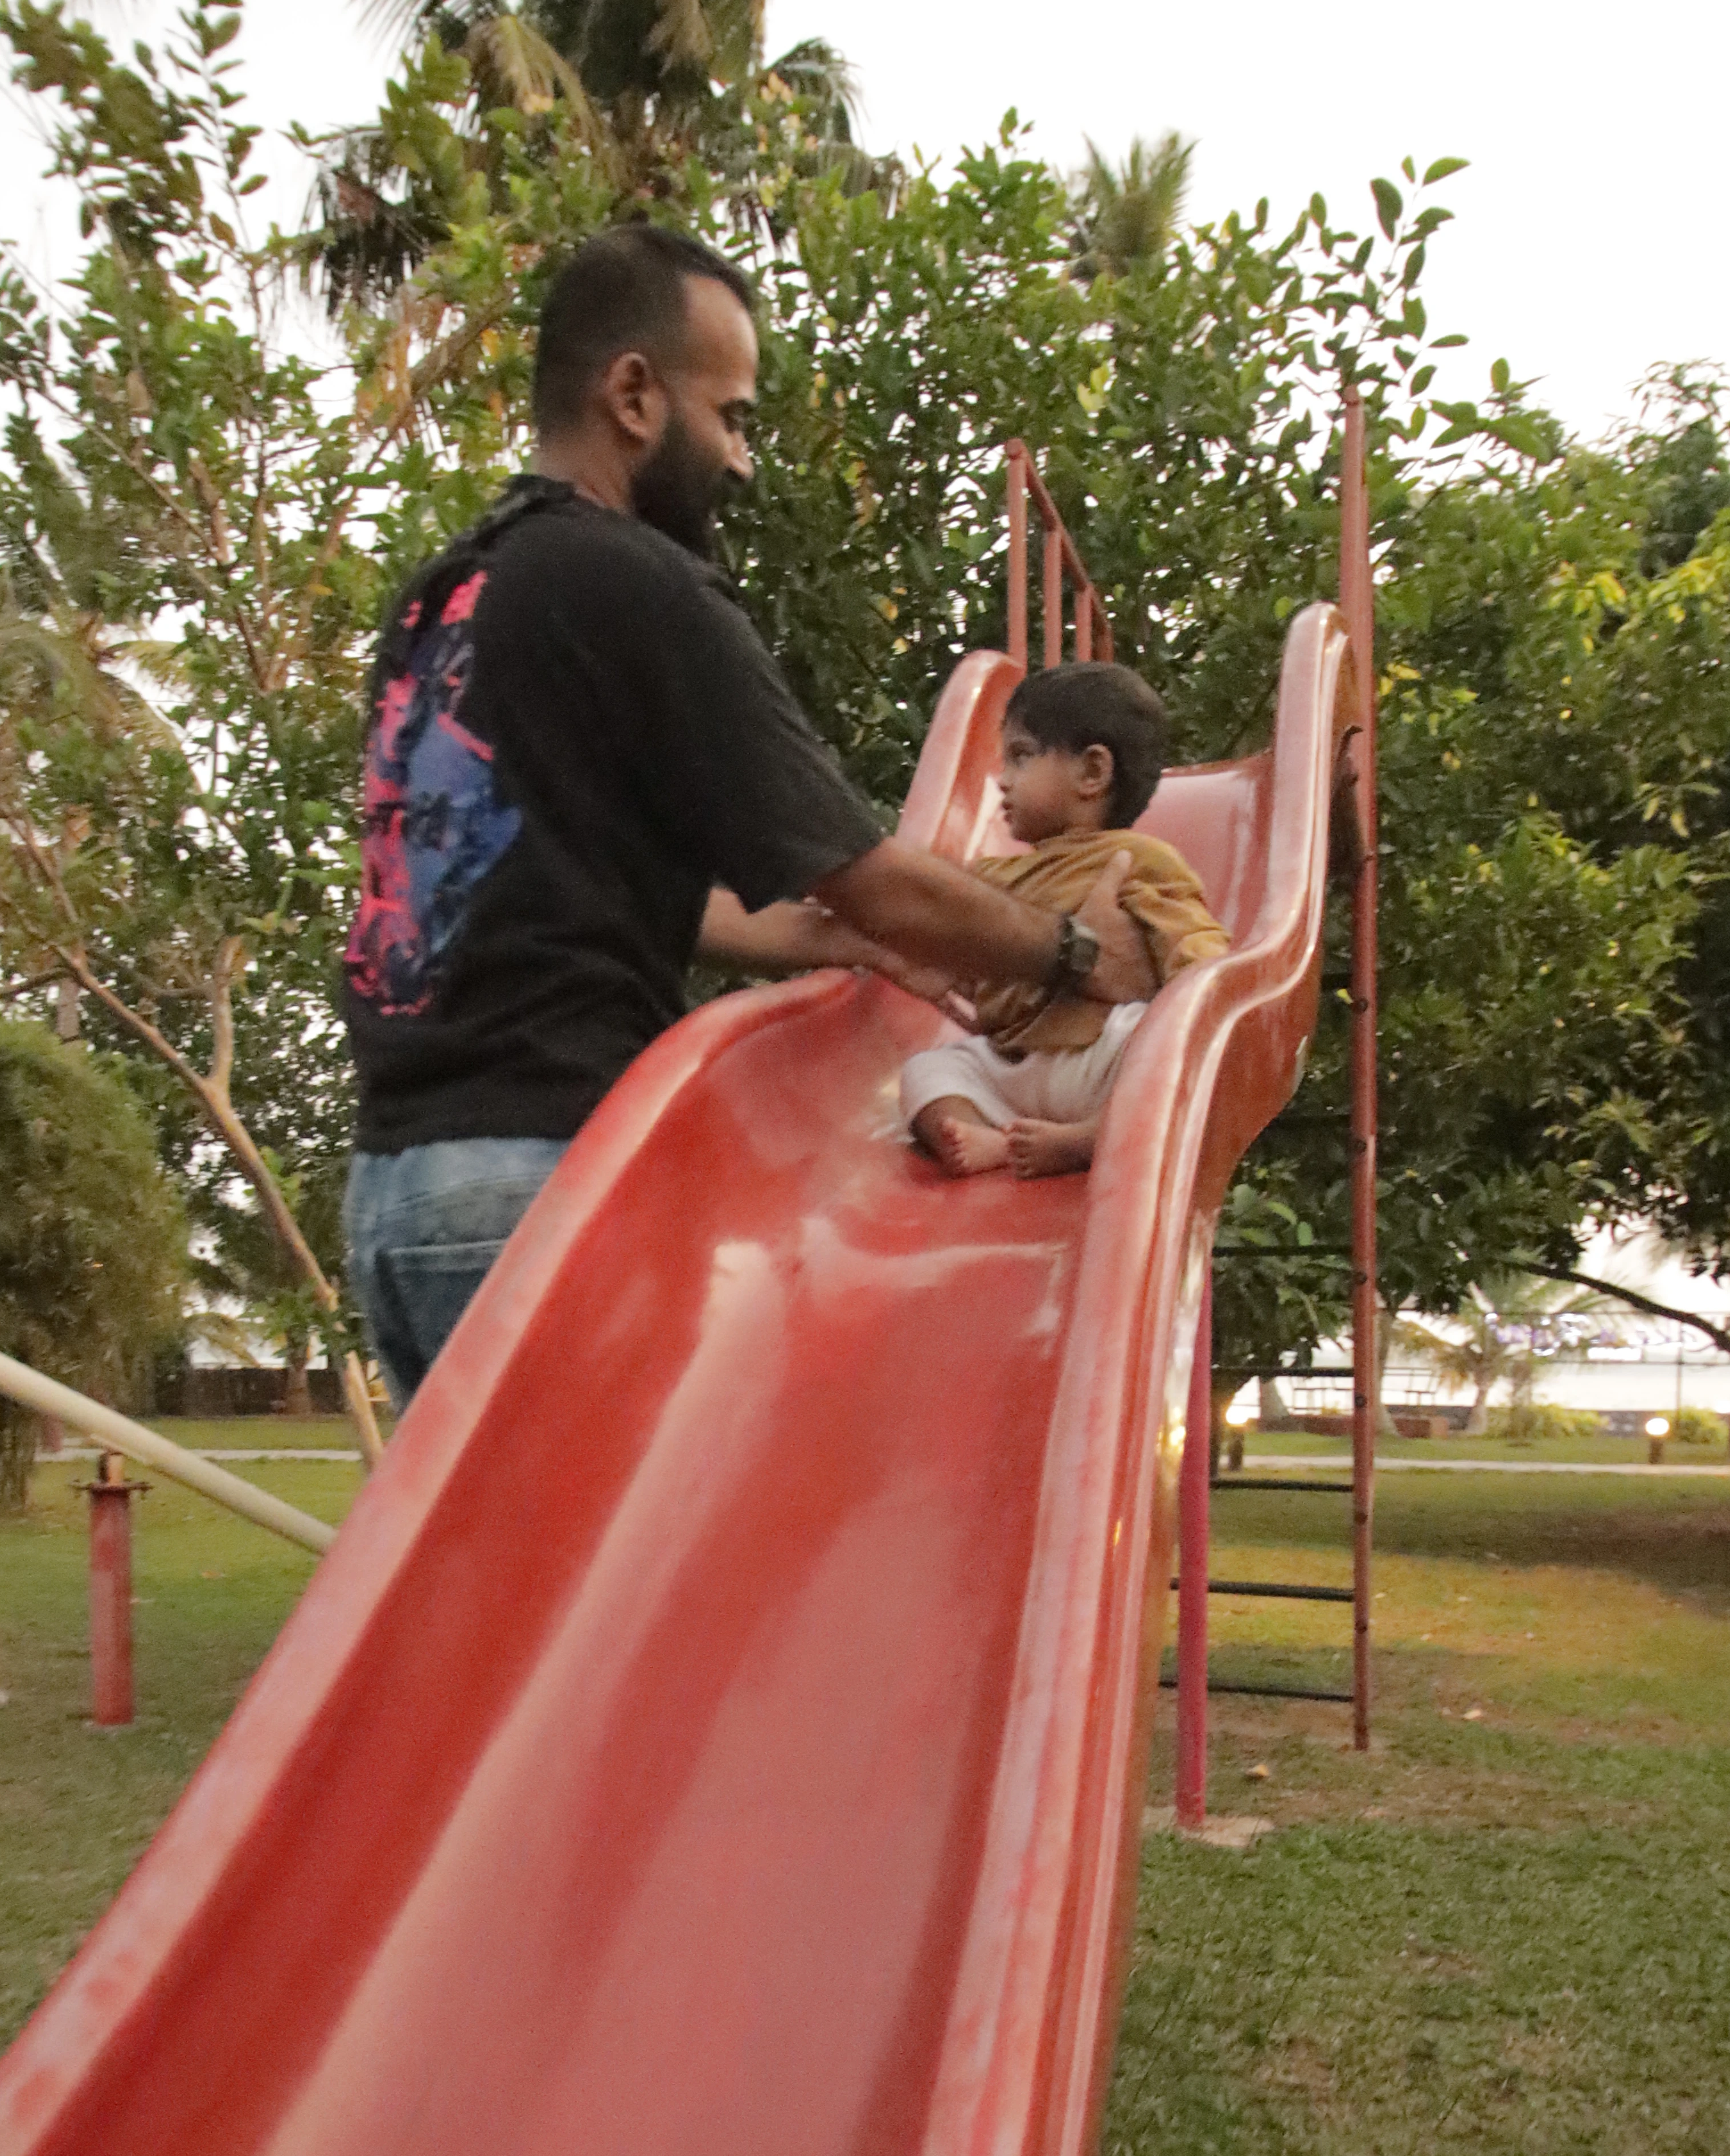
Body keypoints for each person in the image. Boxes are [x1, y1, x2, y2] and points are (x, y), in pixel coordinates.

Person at [338, 221, 1161, 1406]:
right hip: (539, 1182)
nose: (740, 460)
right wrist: (1073, 954)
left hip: (398, 1193)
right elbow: (864, 870)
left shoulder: (448, 596)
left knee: (507, 1595)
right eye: (729, 416)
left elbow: (532, 881)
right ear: (634, 394)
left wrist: (817, 939)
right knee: (619, 1591)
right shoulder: (631, 581)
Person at [901, 662, 1225, 1181]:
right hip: (1017, 1067)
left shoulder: (1137, 858)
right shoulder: (993, 875)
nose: (1002, 779)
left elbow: (1191, 944)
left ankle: (1089, 1139)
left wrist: (1201, 989)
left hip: (1097, 1058)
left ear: (1093, 772)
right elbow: (941, 922)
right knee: (929, 1069)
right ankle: (987, 1139)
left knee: (1148, 1037)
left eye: (1022, 757)